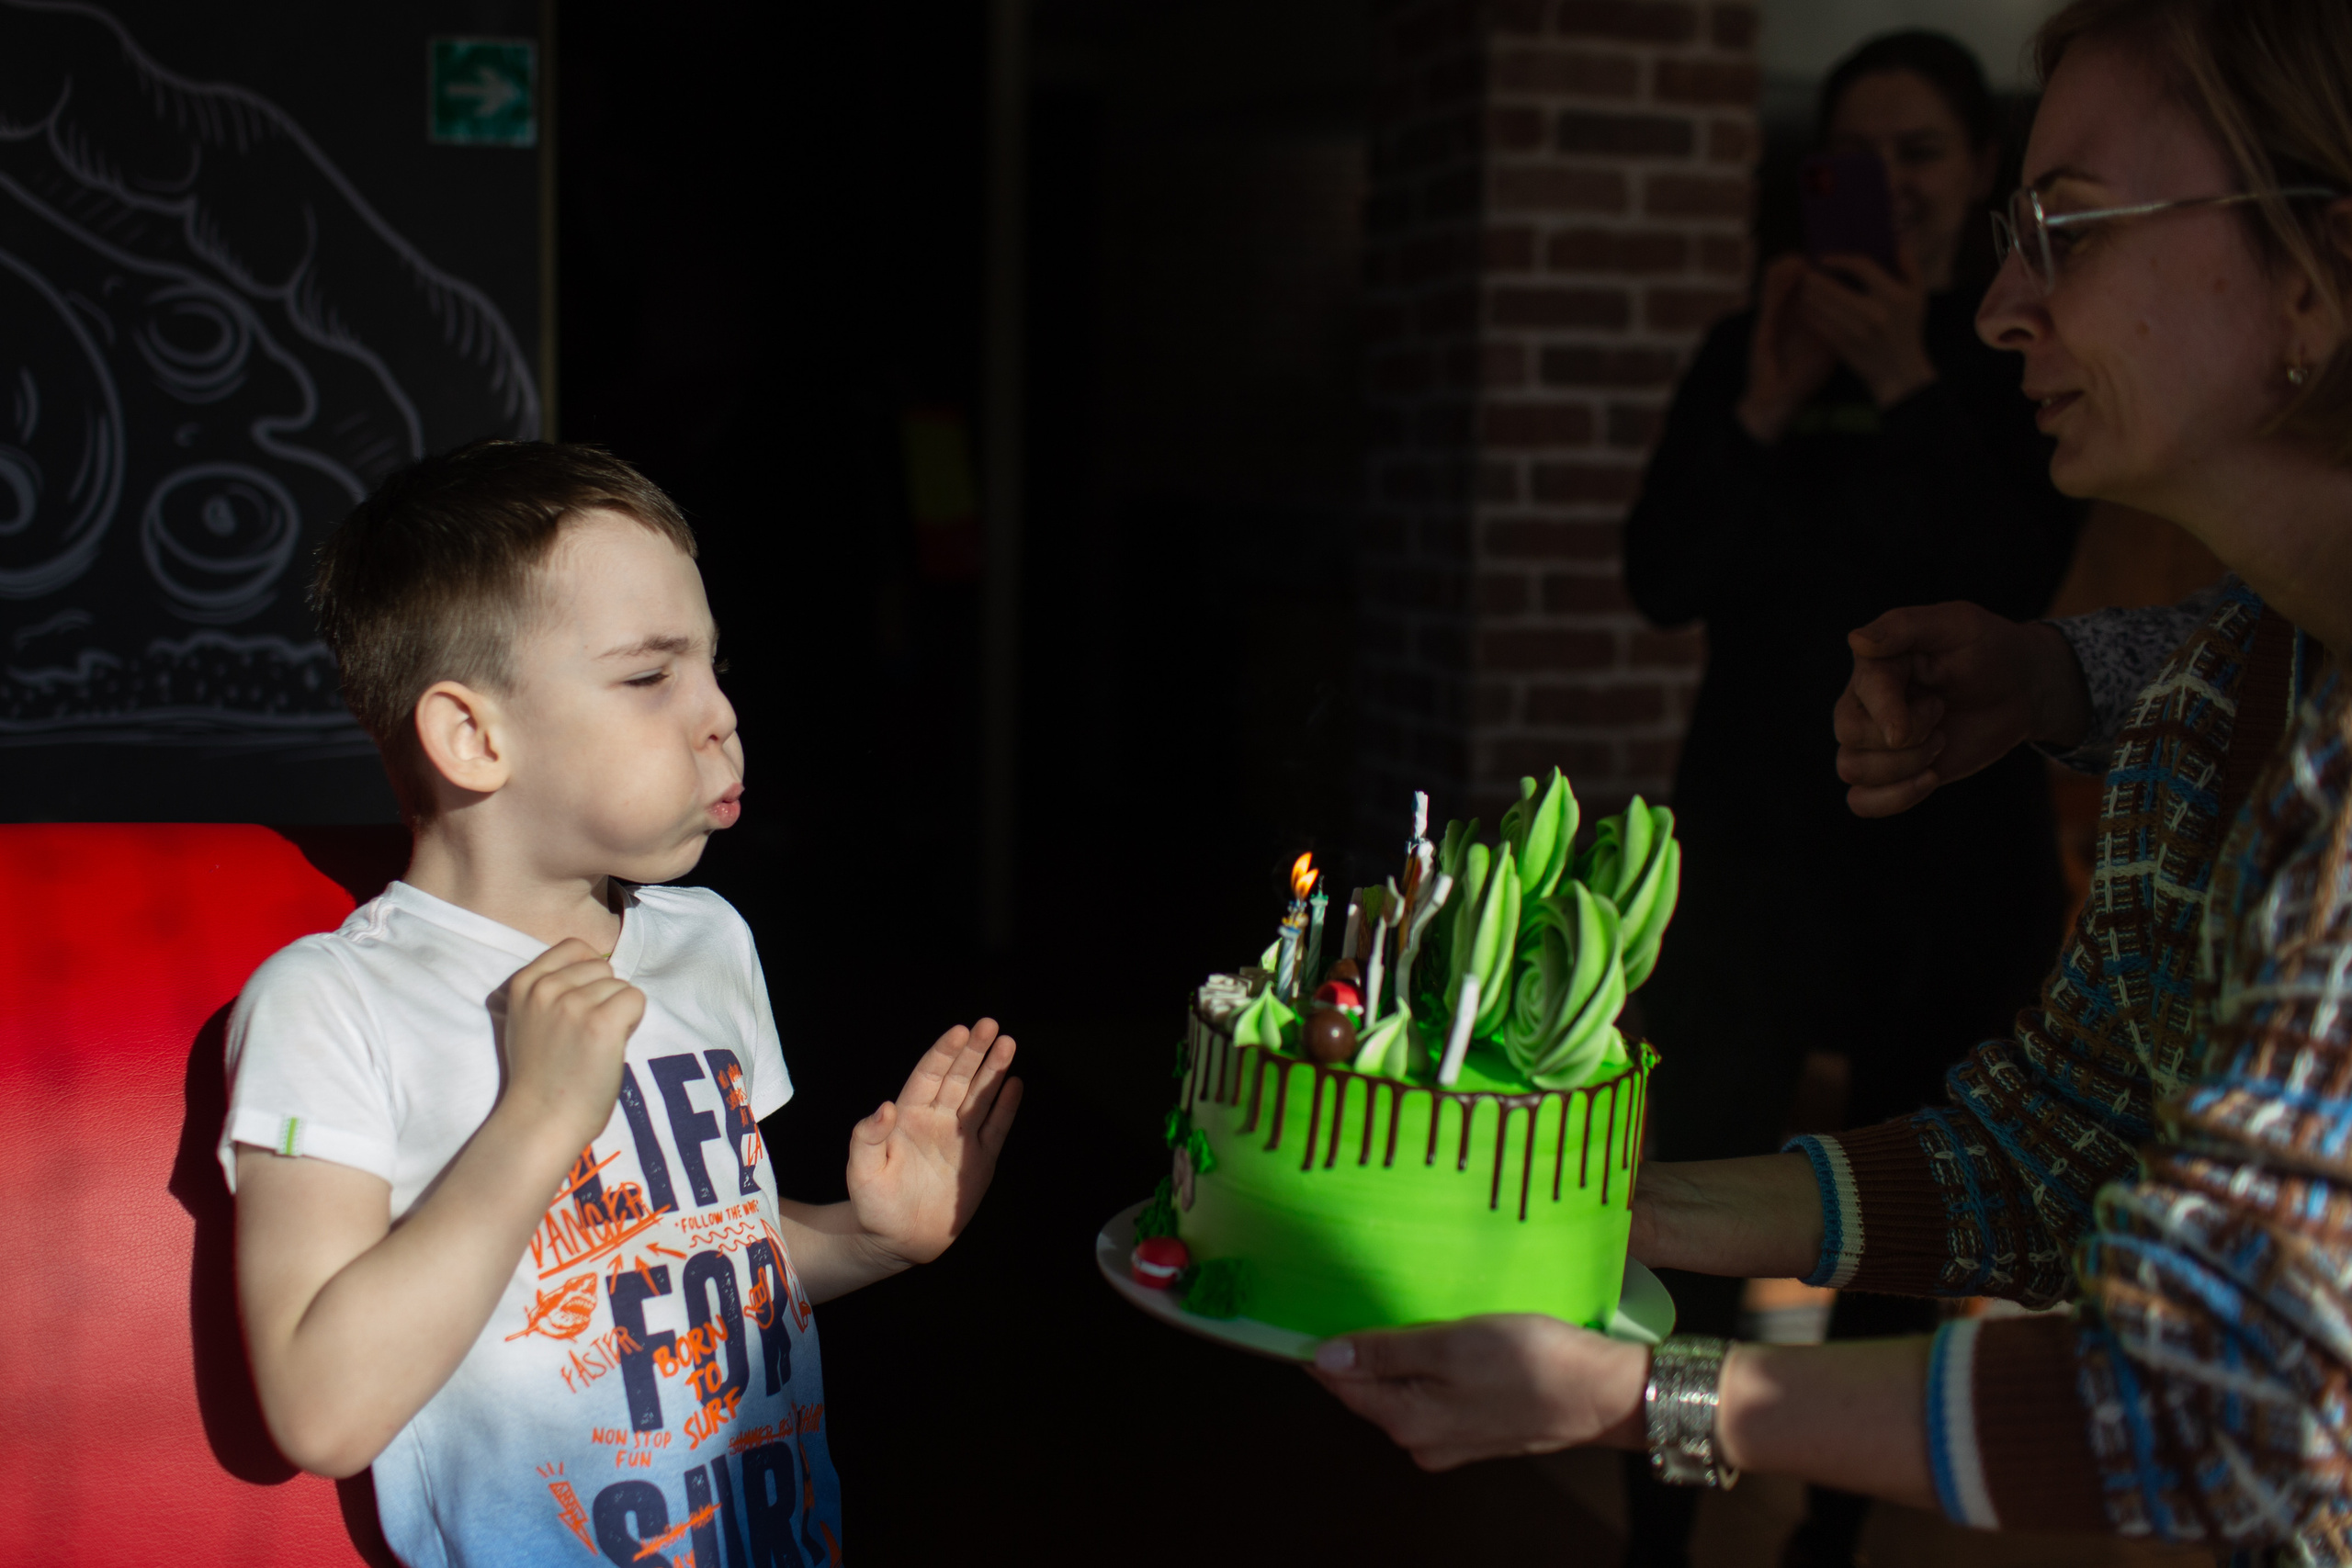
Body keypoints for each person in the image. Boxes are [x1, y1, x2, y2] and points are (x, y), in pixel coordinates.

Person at [1311, 0, 2352, 1556]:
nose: (2003, 308)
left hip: (1941, 891)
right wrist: (1608, 1211)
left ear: (2317, 273)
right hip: (1762, 844)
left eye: (2067, 231)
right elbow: (2048, 1150)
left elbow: (2215, 1406)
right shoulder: (2219, 690)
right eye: (2012, 239)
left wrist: (1644, 1392)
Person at [221, 441, 1024, 1565]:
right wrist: (538, 1120)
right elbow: (321, 1411)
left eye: (713, 667)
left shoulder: (706, 942)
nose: (720, 715)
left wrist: (873, 1241)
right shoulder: (333, 1004)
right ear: (473, 737)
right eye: (650, 677)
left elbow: (691, 1272)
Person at [1619, 30, 2084, 1563]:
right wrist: (1764, 404)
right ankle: (1657, 1518)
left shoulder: (2016, 360)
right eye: (1855, 161)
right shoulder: (1750, 346)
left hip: (1947, 866)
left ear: (1982, 172)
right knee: (1692, 1199)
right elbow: (1662, 575)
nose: (1887, 185)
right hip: (1755, 839)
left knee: (1904, 1208)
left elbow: (2023, 578)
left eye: (1921, 153)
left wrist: (1903, 380)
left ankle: (1833, 1525)